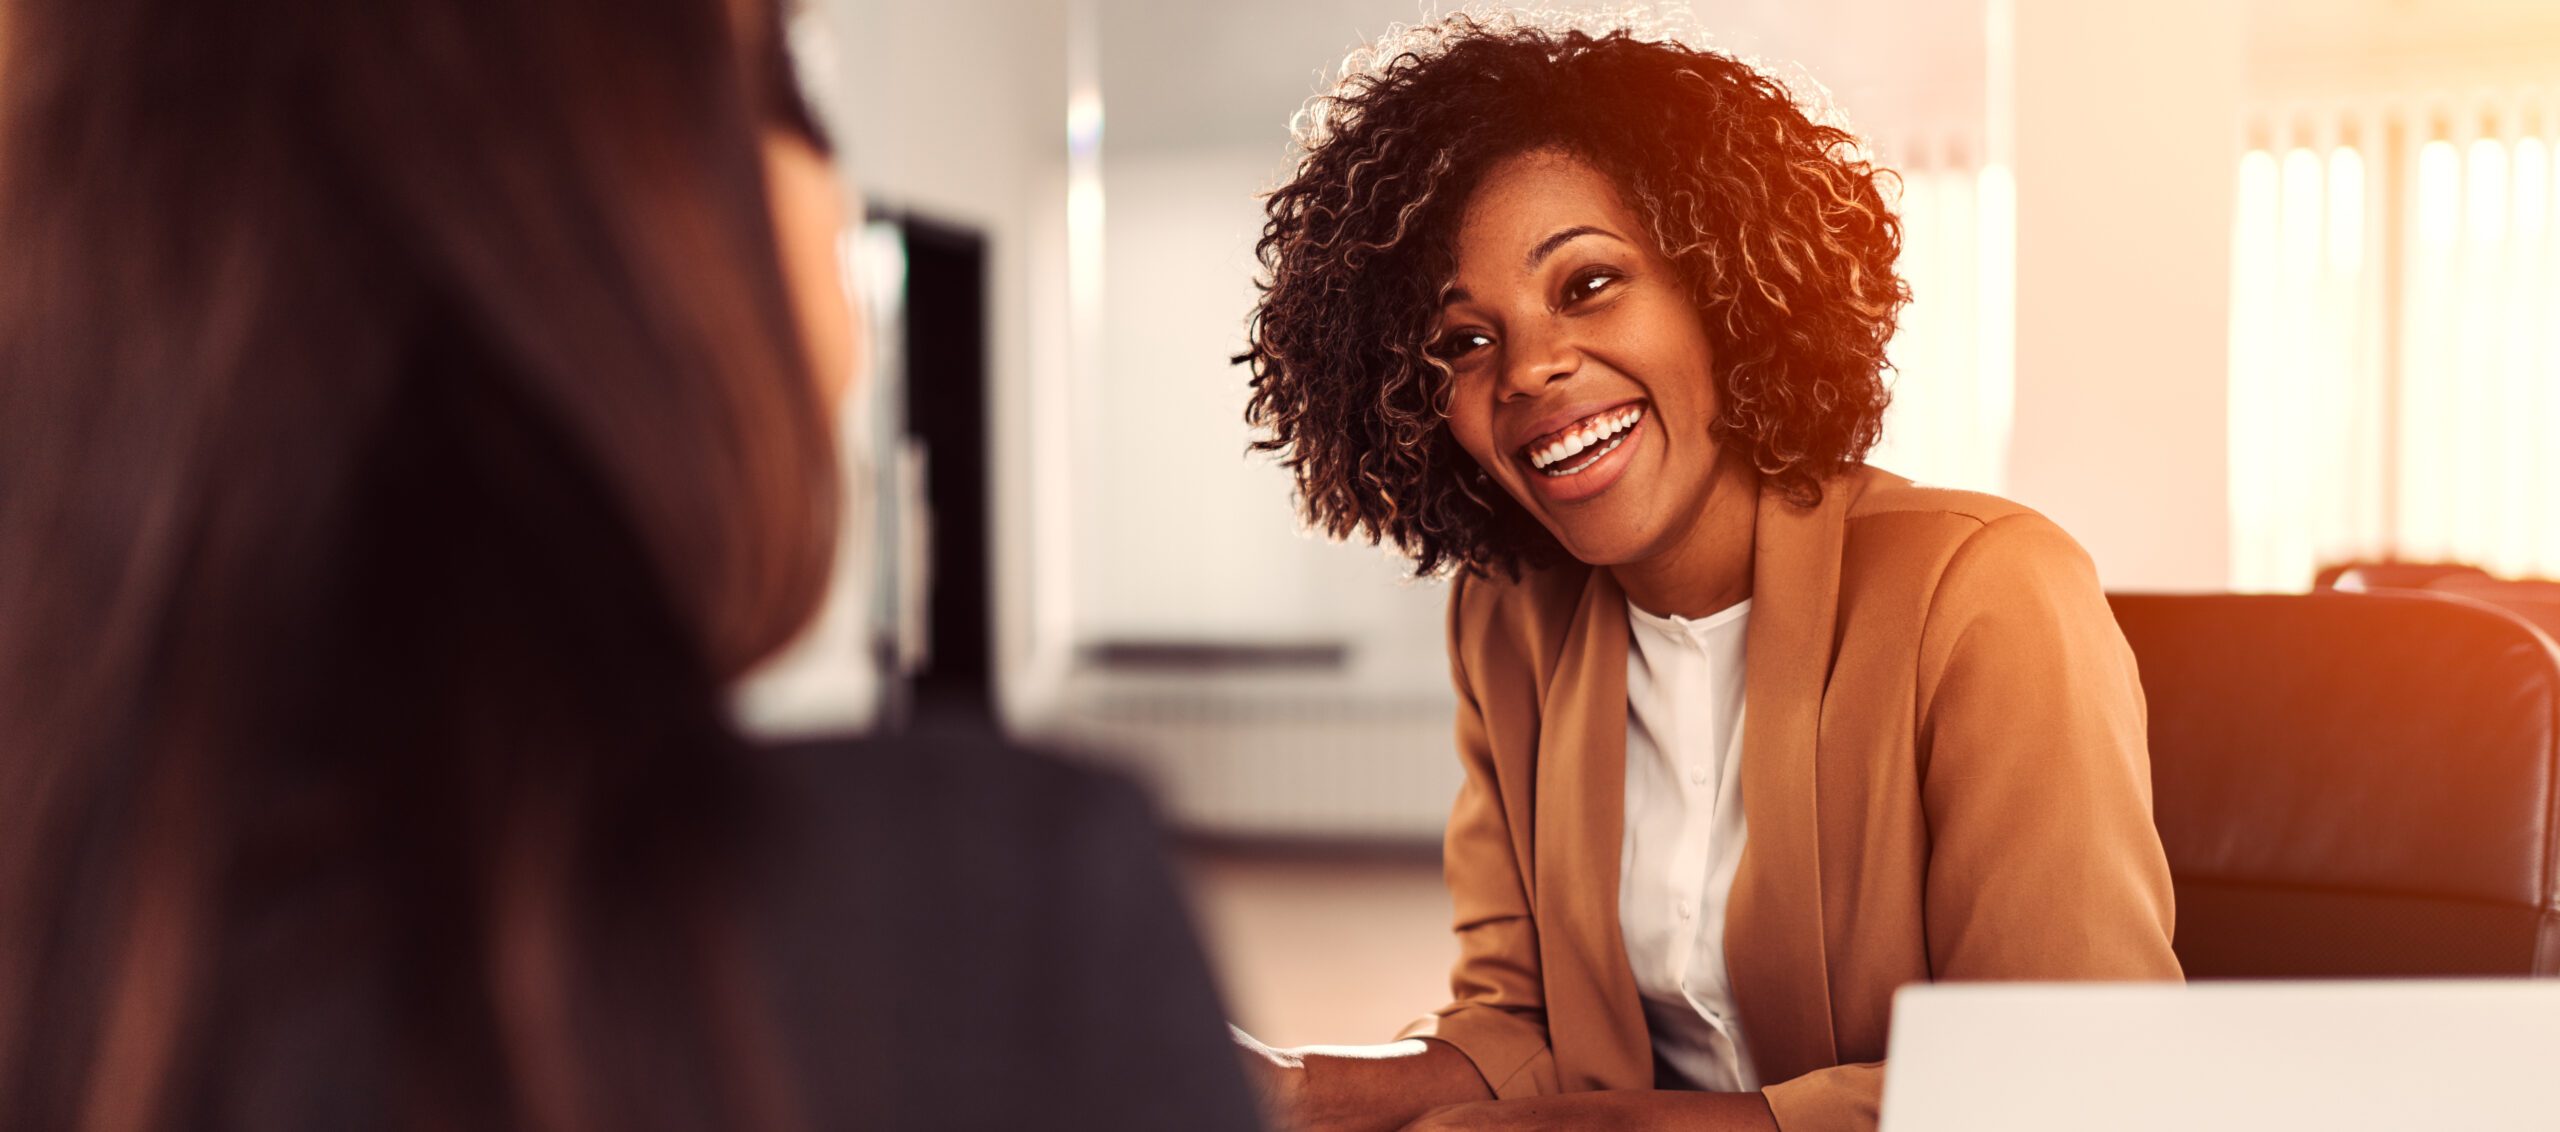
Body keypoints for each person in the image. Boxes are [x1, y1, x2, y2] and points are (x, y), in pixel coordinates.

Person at [0, 0, 1258, 1129]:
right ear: (610, 207)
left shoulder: (83, 975)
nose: (832, 213)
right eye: (782, 77)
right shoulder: (1001, 933)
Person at [1231, 13, 2181, 1132]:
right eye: (1464, 341)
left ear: (1726, 293)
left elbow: (2066, 1080)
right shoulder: (1505, 622)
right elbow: (1518, 1025)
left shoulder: (1987, 595)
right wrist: (1294, 1087)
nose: (1530, 367)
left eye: (1585, 284)